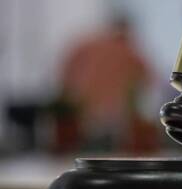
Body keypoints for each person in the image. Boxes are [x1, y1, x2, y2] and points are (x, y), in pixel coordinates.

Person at [57, 15, 156, 153]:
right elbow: (149, 79)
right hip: (114, 116)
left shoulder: (87, 44)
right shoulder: (128, 50)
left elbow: (65, 72)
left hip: (83, 111)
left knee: (80, 154)